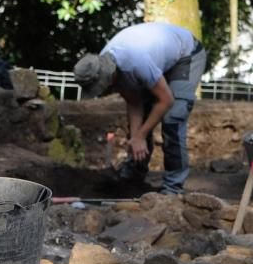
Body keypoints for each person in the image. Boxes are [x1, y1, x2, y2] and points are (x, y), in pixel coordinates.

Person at [73, 22, 207, 195]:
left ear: (108, 75)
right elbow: (135, 103)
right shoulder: (101, 65)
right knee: (141, 124)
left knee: (173, 118)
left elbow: (166, 100)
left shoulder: (135, 62)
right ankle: (134, 174)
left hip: (186, 55)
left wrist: (141, 135)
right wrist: (136, 137)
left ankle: (173, 187)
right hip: (158, 59)